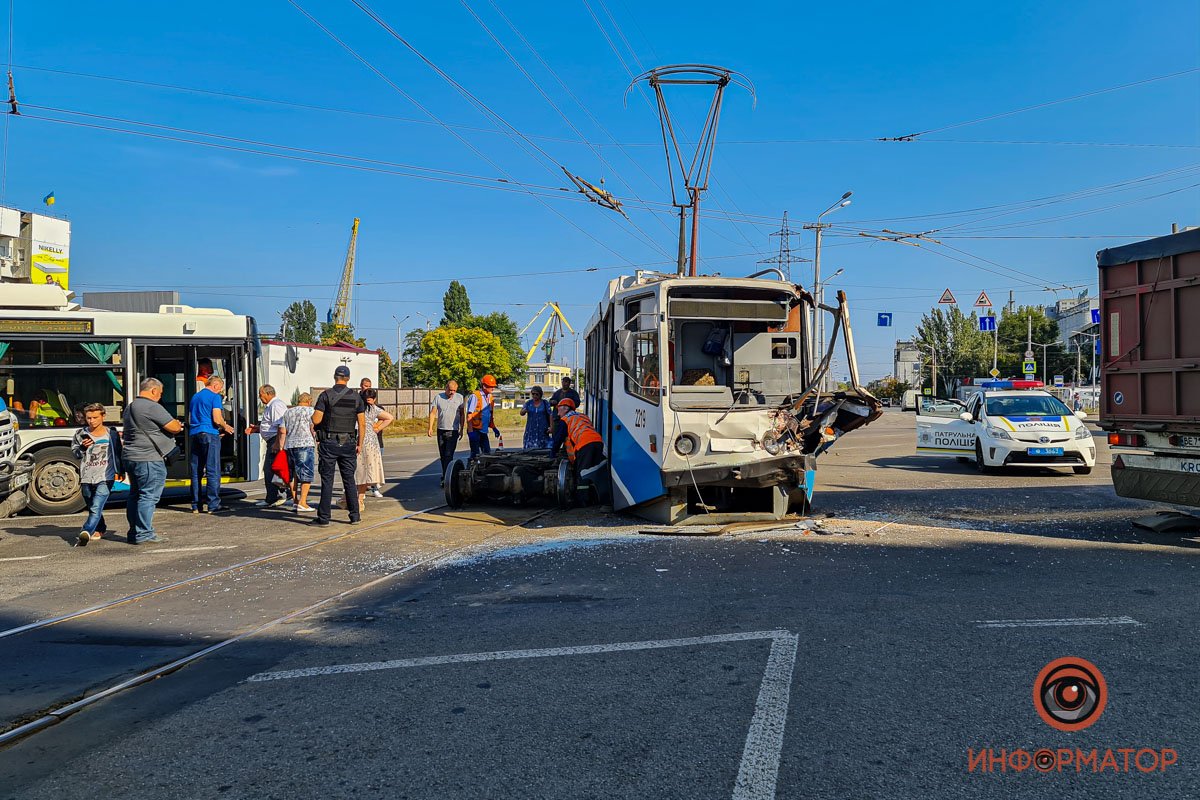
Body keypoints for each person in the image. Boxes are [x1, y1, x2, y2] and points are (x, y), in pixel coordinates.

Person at [122, 377, 183, 545]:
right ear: (154, 390)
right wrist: (177, 423)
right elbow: (174, 427)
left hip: (131, 456)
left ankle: (134, 531)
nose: (160, 396)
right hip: (149, 458)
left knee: (135, 495)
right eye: (160, 393)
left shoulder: (130, 407)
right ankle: (144, 533)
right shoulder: (152, 407)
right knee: (148, 496)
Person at [311, 365, 366, 526]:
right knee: (349, 479)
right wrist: (359, 444)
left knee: (327, 480)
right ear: (348, 378)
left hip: (329, 442)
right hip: (349, 442)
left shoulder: (325, 395)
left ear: (335, 377)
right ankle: (355, 515)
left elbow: (316, 420)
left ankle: (324, 518)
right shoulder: (356, 398)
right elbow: (362, 424)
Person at [71, 402, 124, 547]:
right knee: (91, 503)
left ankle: (86, 531)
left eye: (95, 417)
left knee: (96, 506)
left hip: (105, 476)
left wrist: (122, 471)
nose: (91, 421)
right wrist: (82, 447)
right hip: (87, 475)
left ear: (103, 416)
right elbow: (75, 453)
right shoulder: (80, 434)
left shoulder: (111, 434)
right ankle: (101, 528)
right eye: (88, 418)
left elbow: (118, 453)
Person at [188, 375, 235, 514]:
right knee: (212, 470)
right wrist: (225, 427)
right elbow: (217, 418)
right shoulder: (215, 397)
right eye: (220, 389)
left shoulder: (195, 397)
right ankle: (213, 505)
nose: (220, 392)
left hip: (195, 434)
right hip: (210, 434)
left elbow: (190, 418)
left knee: (196, 471)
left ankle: (196, 505)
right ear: (215, 386)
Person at [550, 397, 606, 499]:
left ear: (566, 409)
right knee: (596, 471)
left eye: (559, 410)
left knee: (582, 473)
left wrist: (552, 454)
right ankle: (600, 498)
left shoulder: (565, 420)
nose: (558, 414)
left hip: (584, 445)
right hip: (598, 442)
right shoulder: (583, 416)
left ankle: (582, 500)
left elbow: (558, 440)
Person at [245, 385, 291, 508]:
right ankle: (279, 495)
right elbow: (271, 426)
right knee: (274, 469)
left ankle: (275, 497)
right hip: (273, 440)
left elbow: (281, 426)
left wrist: (277, 443)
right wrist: (258, 428)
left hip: (275, 441)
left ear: (268, 393)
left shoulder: (276, 406)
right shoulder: (271, 406)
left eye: (261, 394)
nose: (260, 397)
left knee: (271, 469)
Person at [352, 389, 393, 508]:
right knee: (367, 470)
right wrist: (378, 427)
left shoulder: (358, 407)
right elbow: (389, 417)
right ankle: (360, 498)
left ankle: (357, 497)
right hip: (371, 440)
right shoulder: (373, 408)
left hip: (359, 438)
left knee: (358, 470)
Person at [279, 393, 317, 512]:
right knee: (306, 474)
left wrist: (281, 447)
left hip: (290, 445)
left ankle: (295, 501)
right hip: (305, 443)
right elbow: (313, 428)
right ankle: (303, 502)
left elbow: (282, 430)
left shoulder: (288, 412)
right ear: (309, 401)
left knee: (293, 474)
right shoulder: (311, 411)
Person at [427, 379, 465, 485]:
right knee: (443, 455)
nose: (452, 392)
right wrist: (430, 427)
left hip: (453, 430)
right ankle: (446, 475)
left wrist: (462, 428)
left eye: (454, 390)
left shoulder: (459, 398)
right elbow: (433, 413)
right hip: (441, 430)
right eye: (450, 390)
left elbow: (462, 414)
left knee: (449, 455)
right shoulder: (438, 397)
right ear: (446, 388)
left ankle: (447, 478)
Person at [465, 374, 501, 457]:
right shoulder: (475, 396)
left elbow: (489, 415)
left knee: (487, 453)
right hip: (475, 430)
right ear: (484, 386)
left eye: (493, 386)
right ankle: (471, 468)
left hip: (483, 431)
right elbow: (469, 415)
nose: (493, 388)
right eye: (491, 386)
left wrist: (494, 428)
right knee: (475, 454)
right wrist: (471, 432)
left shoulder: (490, 397)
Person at [360, 377, 385, 498]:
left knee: (373, 465)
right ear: (361, 386)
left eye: (369, 386)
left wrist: (377, 427)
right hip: (361, 438)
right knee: (361, 466)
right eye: (365, 386)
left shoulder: (376, 407)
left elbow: (386, 417)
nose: (367, 388)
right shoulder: (359, 404)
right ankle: (361, 490)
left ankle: (375, 488)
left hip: (375, 440)